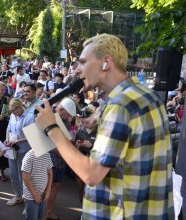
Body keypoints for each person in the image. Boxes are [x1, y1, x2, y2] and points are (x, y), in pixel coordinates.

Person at [35, 33, 174, 219]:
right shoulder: (146, 96)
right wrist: (100, 113)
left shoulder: (120, 106)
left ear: (106, 62)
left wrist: (52, 129)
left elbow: (91, 175)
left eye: (83, 62)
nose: (77, 71)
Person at [4, 98, 34, 207]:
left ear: (20, 107)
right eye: (11, 111)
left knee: (24, 176)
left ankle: (28, 201)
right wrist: (7, 139)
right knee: (13, 174)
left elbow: (31, 136)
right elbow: (8, 129)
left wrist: (17, 141)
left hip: (23, 150)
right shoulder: (12, 115)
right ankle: (18, 196)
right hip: (12, 149)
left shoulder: (29, 117)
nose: (12, 113)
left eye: (13, 110)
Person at [21, 148, 53, 220]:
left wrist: (48, 191)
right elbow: (25, 178)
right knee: (32, 217)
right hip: (31, 196)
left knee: (41, 216)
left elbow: (50, 173)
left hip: (43, 194)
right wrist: (35, 195)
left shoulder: (47, 155)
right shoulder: (29, 156)